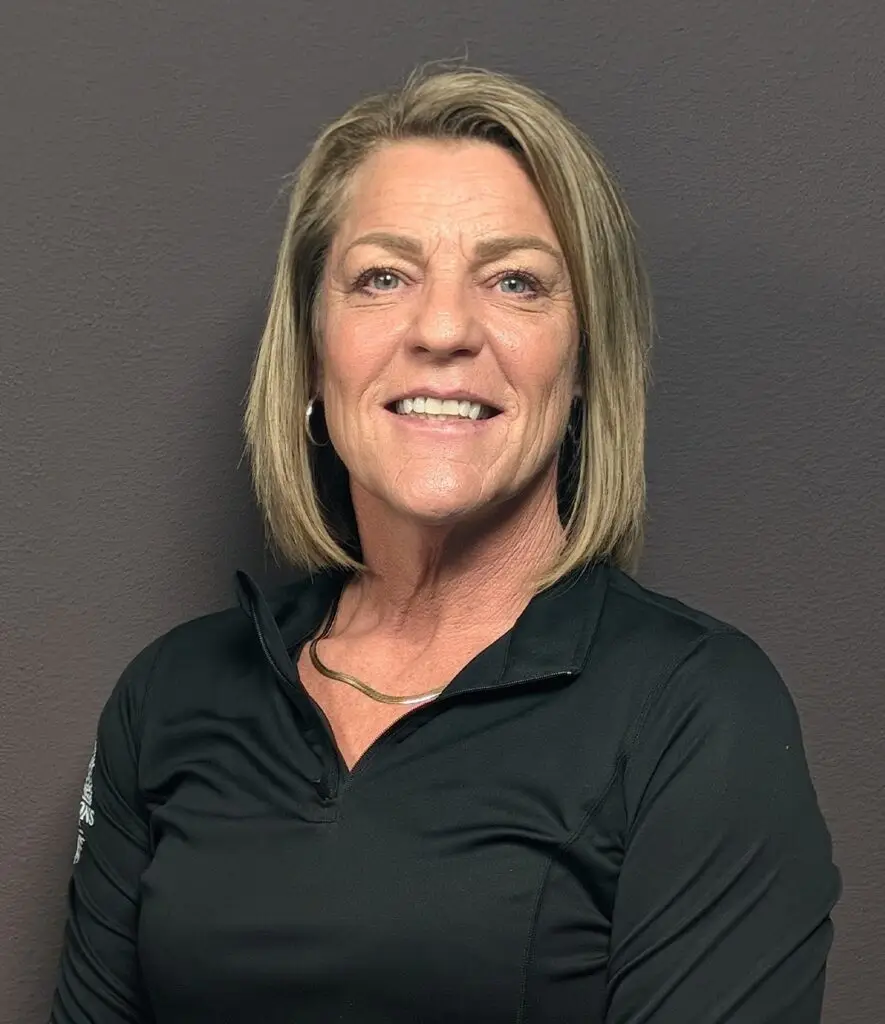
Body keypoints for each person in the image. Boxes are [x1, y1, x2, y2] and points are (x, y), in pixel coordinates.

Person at [49, 64, 841, 1023]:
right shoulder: (168, 696)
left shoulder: (694, 709)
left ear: (583, 362)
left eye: (514, 282)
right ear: (311, 348)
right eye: (383, 277)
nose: (442, 330)